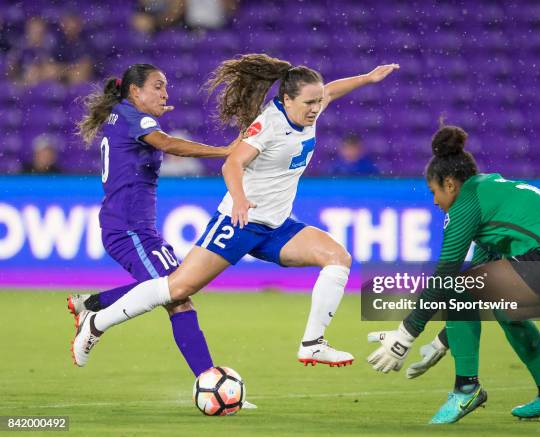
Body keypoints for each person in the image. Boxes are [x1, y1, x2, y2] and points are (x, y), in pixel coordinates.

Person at [71, 54, 399, 369]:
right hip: (239, 222)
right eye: (309, 103)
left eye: (318, 102)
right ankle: (97, 321)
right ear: (286, 100)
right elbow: (232, 163)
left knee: (337, 257)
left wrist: (368, 78)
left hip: (276, 226)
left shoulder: (309, 107)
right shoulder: (268, 125)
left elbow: (331, 90)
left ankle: (313, 343)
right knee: (178, 289)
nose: (316, 108)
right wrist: (239, 200)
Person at [367, 125, 540, 424]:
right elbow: (479, 285)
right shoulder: (492, 191)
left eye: (434, 192)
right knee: (505, 309)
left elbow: (446, 276)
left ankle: (466, 388)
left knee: (456, 286)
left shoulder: (467, 202)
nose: (434, 202)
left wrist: (405, 335)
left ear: (450, 184)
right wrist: (444, 340)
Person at [69, 64, 238, 382]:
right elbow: (170, 145)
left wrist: (149, 110)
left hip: (132, 228)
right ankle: (208, 378)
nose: (166, 92)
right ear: (135, 91)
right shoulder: (136, 118)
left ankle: (93, 305)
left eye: (166, 87)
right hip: (130, 230)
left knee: (174, 288)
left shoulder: (121, 113)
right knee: (178, 296)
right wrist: (226, 150)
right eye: (158, 86)